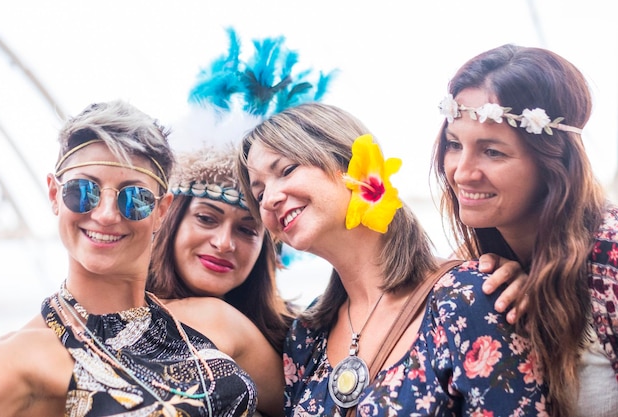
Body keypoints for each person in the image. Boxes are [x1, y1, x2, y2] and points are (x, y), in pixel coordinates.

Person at [236, 101, 547, 416]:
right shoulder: (305, 337)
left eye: (286, 170)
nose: (271, 199)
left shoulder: (467, 298)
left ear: (350, 163)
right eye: (259, 194)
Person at [0, 100, 283, 417]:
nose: (105, 215)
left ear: (161, 210)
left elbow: (314, 402)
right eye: (82, 191)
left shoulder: (216, 321)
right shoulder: (19, 359)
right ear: (54, 195)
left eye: (135, 198)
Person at [433, 44, 618, 417]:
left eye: (493, 152)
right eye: (454, 145)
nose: (462, 172)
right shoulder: (473, 273)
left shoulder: (610, 256)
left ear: (552, 162)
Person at [148, 144, 294, 353]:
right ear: (169, 219)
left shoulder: (299, 342)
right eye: (206, 219)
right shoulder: (110, 305)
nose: (224, 243)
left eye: (246, 230)